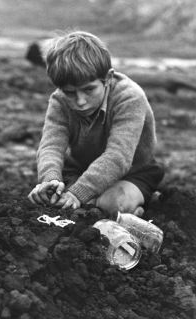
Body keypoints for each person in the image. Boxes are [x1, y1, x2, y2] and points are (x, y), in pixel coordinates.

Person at [28, 31, 164, 216]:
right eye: (70, 92)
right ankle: (101, 206)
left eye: (89, 89)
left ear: (107, 78)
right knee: (56, 201)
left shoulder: (130, 98)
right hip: (79, 170)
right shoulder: (59, 101)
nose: (80, 101)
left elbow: (118, 157)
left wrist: (78, 193)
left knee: (113, 203)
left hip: (132, 171)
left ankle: (139, 202)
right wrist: (50, 180)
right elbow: (51, 146)